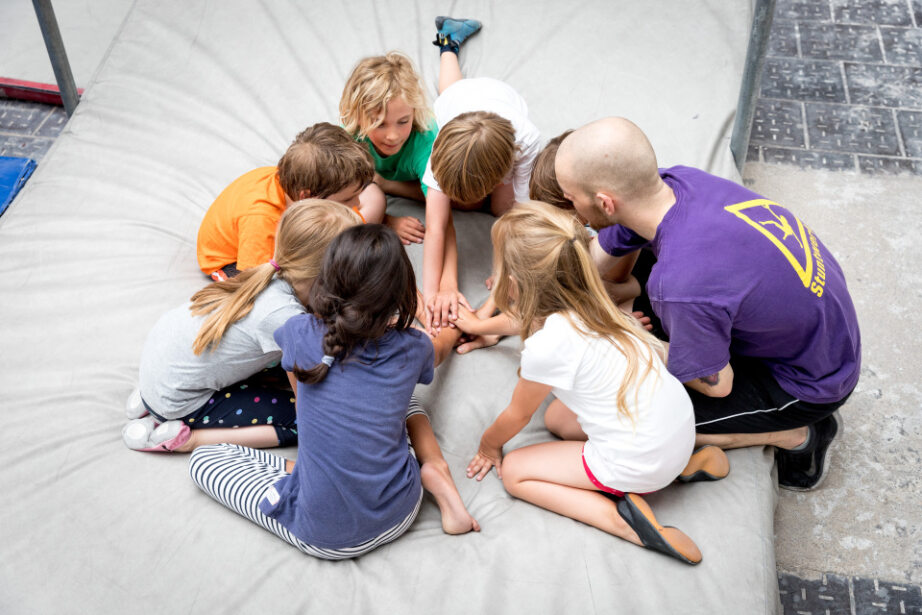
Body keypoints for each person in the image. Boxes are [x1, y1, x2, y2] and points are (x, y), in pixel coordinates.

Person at [554, 117, 861, 491]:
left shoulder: (681, 285)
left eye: (571, 199)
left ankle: (796, 437)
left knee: (600, 423)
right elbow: (607, 245)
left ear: (604, 201)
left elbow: (718, 386)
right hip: (821, 330)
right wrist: (558, 287)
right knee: (657, 283)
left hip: (808, 383)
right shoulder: (677, 182)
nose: (572, 207)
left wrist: (629, 339)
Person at [189, 224, 480, 559]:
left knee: (204, 460)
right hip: (402, 507)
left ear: (326, 282)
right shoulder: (413, 349)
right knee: (406, 397)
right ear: (402, 294)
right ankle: (434, 467)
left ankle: (307, 474)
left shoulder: (298, 331)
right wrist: (454, 323)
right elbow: (439, 346)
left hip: (324, 537)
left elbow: (300, 394)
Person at [462, 201, 729, 565]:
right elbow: (526, 321)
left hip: (640, 463)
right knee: (557, 416)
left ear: (512, 285)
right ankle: (686, 465)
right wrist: (478, 325)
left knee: (515, 473)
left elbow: (517, 415)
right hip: (678, 433)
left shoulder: (547, 347)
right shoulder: (596, 301)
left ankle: (625, 523)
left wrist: (488, 446)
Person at [122, 200, 361, 453]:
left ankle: (148, 401)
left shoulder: (267, 275)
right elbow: (308, 400)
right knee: (304, 423)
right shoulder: (285, 317)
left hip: (160, 368)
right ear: (331, 274)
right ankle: (188, 440)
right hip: (178, 399)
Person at [421, 16, 543, 333]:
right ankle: (448, 42)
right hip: (458, 101)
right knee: (449, 89)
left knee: (501, 209)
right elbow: (435, 228)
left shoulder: (527, 140)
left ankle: (450, 45)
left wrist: (505, 273)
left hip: (501, 101)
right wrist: (430, 296)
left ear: (499, 175)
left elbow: (520, 214)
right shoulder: (440, 152)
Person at [196, 123, 375, 281]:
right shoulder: (262, 218)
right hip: (232, 263)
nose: (357, 204)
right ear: (307, 197)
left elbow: (357, 234)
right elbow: (252, 279)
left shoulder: (300, 181)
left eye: (358, 195)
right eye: (347, 199)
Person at [340, 52, 435, 245]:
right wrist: (385, 220)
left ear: (414, 112)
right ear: (358, 117)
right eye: (380, 124)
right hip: (379, 180)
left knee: (467, 202)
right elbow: (331, 195)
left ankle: (448, 47)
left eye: (403, 121)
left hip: (420, 173)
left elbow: (440, 216)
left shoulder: (425, 141)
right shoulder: (351, 137)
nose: (393, 136)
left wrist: (384, 184)